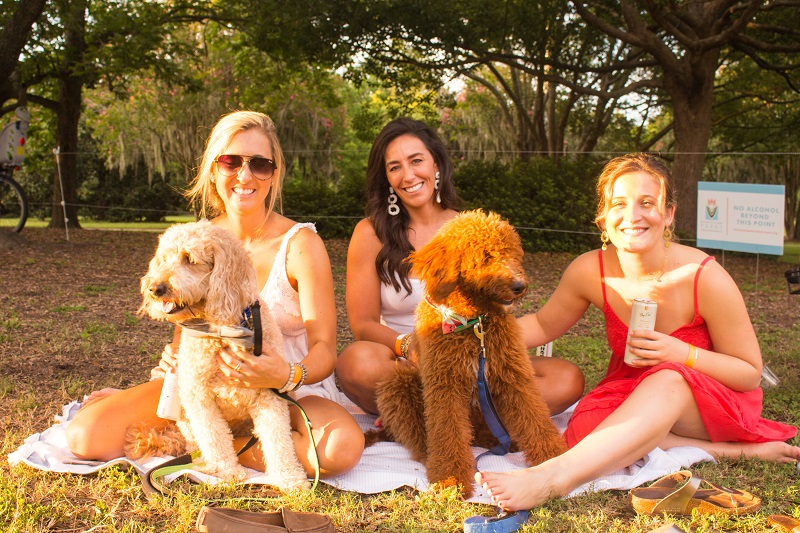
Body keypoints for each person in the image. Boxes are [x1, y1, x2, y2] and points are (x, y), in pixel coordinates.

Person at [476, 153, 800, 511]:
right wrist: (471, 338)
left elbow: (749, 374)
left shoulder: (703, 276)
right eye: (619, 204)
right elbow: (541, 324)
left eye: (648, 203)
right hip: (633, 389)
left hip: (711, 399)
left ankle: (554, 478)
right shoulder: (590, 270)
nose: (632, 216)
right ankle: (734, 453)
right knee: (587, 429)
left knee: (667, 380)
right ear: (602, 215)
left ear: (670, 213)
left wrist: (680, 354)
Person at [66, 111, 364, 478]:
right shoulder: (195, 240)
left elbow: (324, 351)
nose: (245, 175)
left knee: (340, 448)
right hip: (207, 386)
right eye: (230, 161)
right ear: (213, 169)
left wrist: (284, 373)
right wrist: (167, 373)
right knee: (85, 435)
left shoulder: (301, 244)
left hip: (287, 391)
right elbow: (186, 328)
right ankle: (207, 439)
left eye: (260, 164)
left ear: (274, 174)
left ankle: (210, 449)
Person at [335, 117, 585, 416]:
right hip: (405, 363)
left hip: (472, 361)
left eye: (417, 161)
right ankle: (469, 418)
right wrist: (409, 347)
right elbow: (363, 324)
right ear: (386, 178)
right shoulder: (370, 233)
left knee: (566, 378)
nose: (408, 175)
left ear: (436, 165)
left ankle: (437, 419)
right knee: (355, 362)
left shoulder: (470, 229)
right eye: (395, 167)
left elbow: (498, 307)